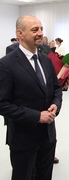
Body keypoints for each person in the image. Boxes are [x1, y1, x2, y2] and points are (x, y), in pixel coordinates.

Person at [0, 15, 63, 180]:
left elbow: (56, 88)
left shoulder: (45, 60)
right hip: (23, 138)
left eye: (41, 29)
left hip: (48, 136)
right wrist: (37, 116)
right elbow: (2, 104)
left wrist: (56, 104)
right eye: (35, 30)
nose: (40, 33)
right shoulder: (6, 64)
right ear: (20, 34)